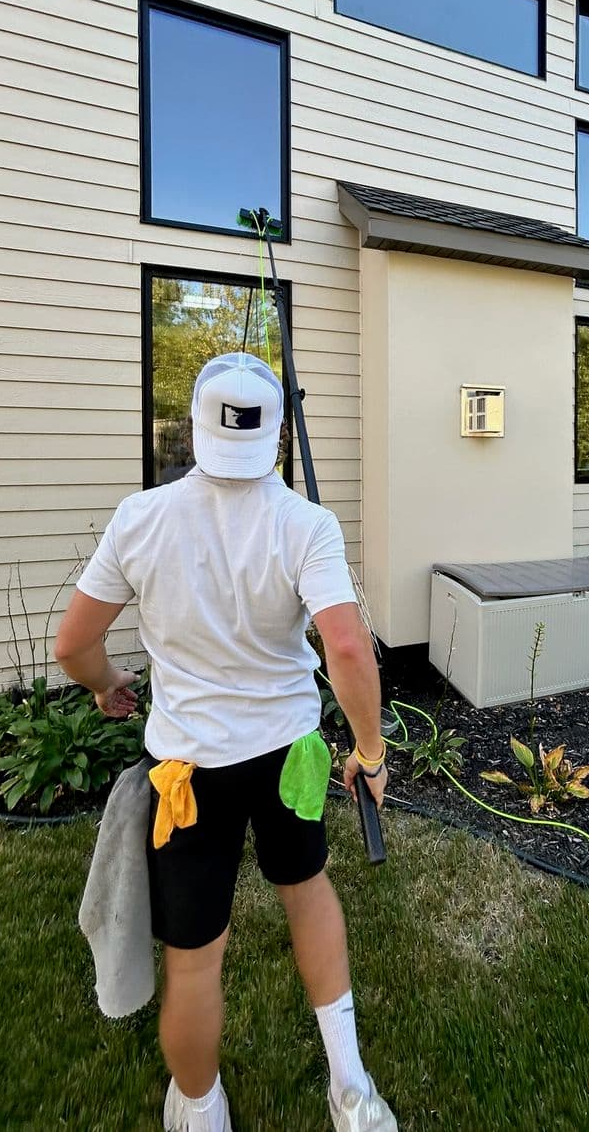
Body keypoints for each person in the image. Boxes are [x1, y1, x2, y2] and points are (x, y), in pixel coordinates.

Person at [54, 352, 396, 1132]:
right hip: (288, 759)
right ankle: (351, 1090)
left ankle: (200, 1110)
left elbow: (73, 643)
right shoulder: (307, 524)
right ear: (276, 436)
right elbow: (345, 647)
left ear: (197, 427)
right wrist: (370, 749)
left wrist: (106, 681)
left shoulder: (140, 516)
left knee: (196, 954)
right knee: (308, 894)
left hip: (187, 774)